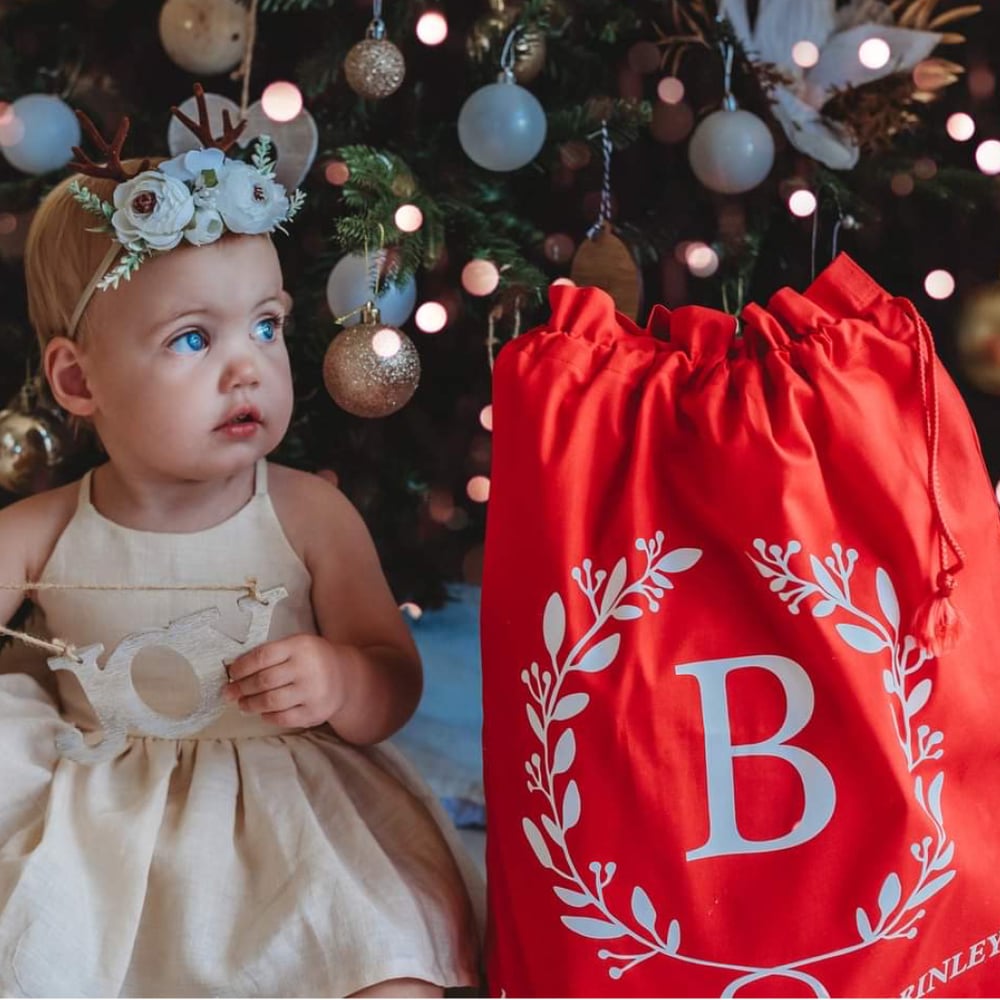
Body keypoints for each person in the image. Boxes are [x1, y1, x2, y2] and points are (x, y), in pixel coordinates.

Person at [0, 94, 482, 998]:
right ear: (78, 379)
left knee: (376, 959)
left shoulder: (304, 515)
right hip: (100, 821)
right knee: (53, 951)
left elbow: (392, 678)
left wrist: (341, 678)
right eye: (193, 337)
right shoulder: (43, 529)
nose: (248, 364)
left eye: (266, 325)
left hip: (285, 814)